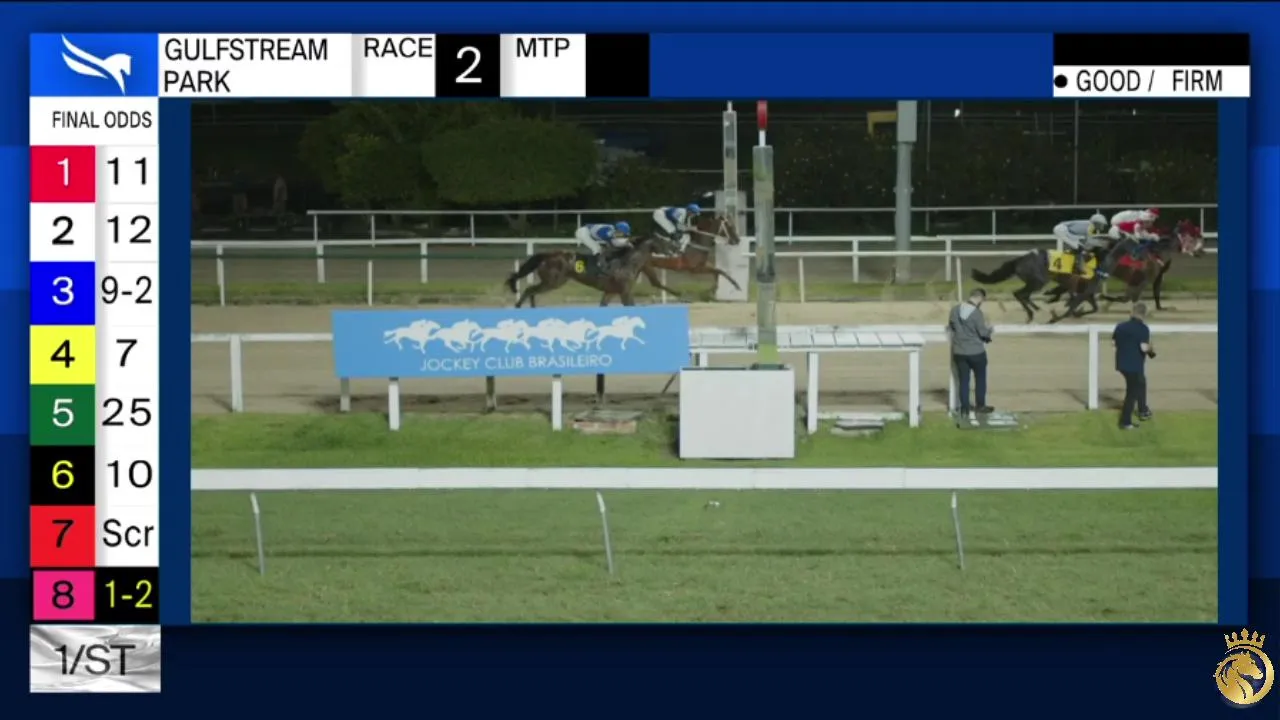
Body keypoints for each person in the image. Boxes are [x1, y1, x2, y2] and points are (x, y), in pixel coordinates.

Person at [947, 288, 995, 423]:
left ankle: (965, 408)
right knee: (980, 379)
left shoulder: (955, 310)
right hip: (976, 352)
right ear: (980, 298)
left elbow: (952, 327)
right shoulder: (977, 313)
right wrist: (990, 331)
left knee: (963, 381)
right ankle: (980, 405)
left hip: (959, 351)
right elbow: (983, 333)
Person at [1112, 302, 1156, 429]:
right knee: (1132, 393)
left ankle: (1143, 410)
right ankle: (1125, 422)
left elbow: (1113, 342)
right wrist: (1152, 352)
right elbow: (1144, 348)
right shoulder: (1143, 329)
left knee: (1141, 382)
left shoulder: (1120, 326)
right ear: (1144, 314)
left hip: (1121, 363)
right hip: (1135, 365)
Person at [1052, 214, 1111, 279]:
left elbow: (1088, 241)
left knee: (1079, 247)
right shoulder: (1090, 227)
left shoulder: (1089, 225)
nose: (1103, 226)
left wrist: (1099, 242)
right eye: (1102, 224)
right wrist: (1101, 243)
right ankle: (1078, 267)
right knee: (1079, 248)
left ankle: (1076, 263)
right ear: (1097, 223)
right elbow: (1089, 242)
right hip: (1062, 230)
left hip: (1065, 230)